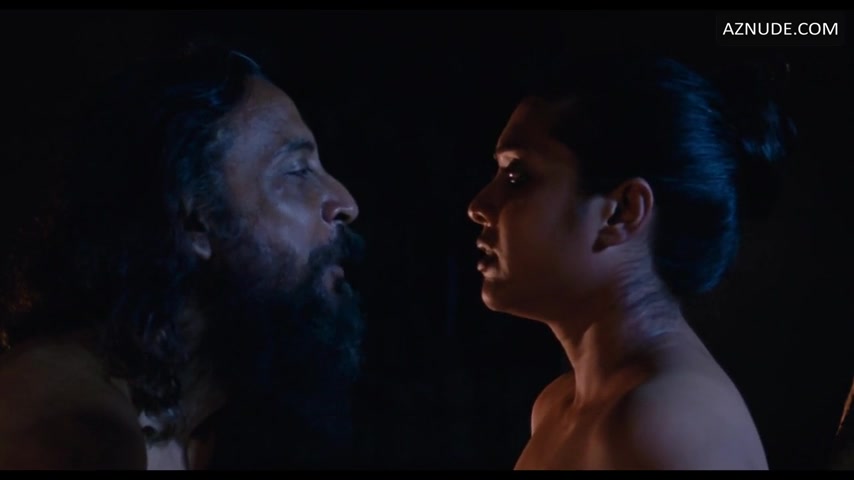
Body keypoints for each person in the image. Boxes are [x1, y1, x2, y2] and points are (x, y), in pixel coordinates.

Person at [0, 43, 365, 469]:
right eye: (298, 169)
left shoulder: (201, 429)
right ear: (194, 221)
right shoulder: (66, 432)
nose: (346, 202)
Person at [466, 53, 796, 470]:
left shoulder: (665, 423)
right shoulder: (558, 407)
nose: (478, 206)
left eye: (517, 177)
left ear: (622, 212)